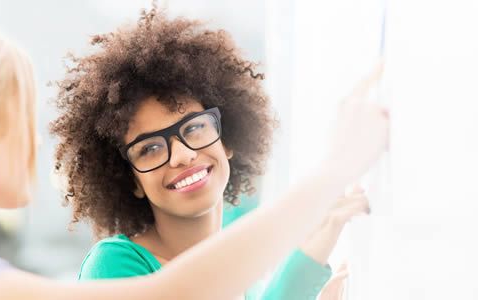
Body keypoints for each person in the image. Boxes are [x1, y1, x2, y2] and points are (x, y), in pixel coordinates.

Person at [0, 16, 388, 300]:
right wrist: (333, 170)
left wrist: (320, 235)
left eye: (195, 128)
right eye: (23, 117)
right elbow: (175, 294)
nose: (38, 143)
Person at [50, 7, 370, 300]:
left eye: (193, 128)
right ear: (129, 178)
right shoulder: (113, 267)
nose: (182, 155)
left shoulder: (240, 275)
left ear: (226, 138)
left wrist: (325, 232)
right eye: (149, 148)